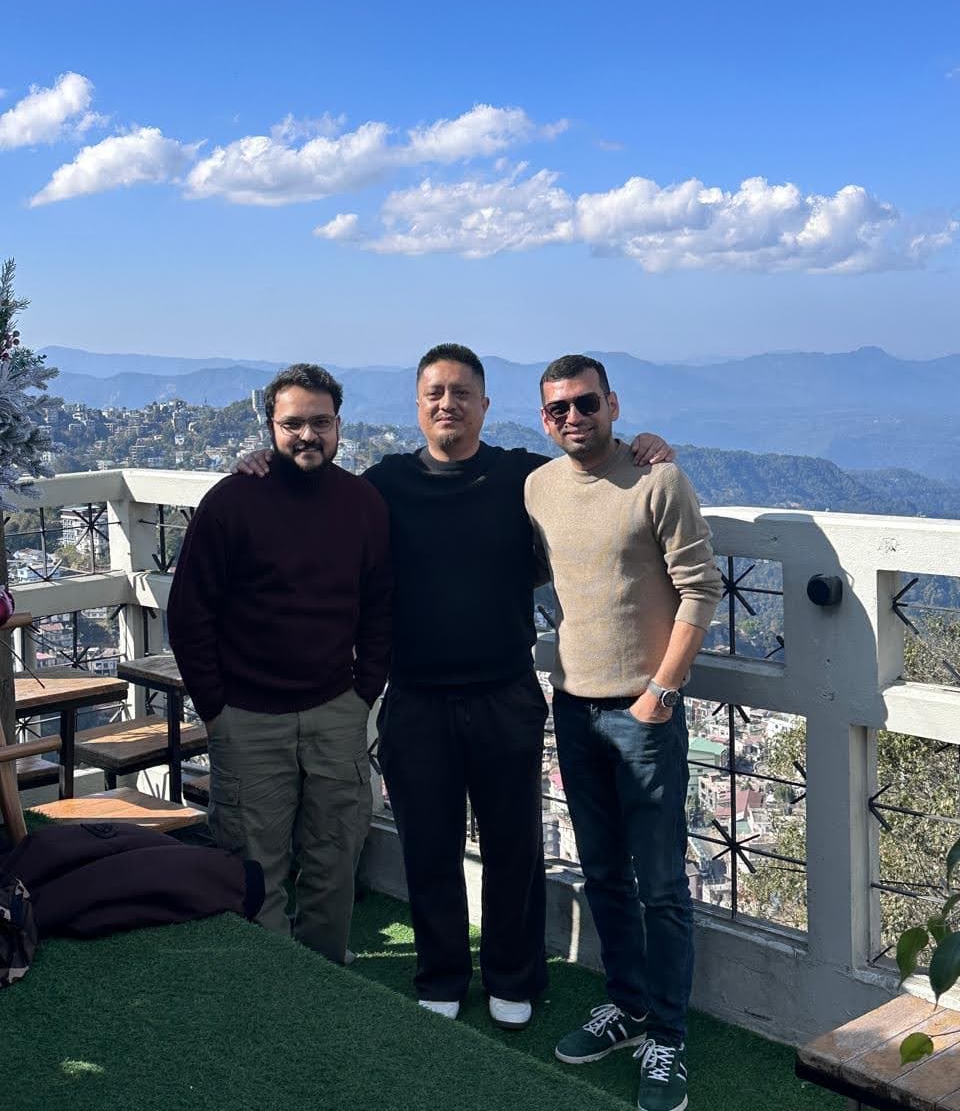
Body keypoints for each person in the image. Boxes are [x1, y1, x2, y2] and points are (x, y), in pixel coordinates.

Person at [236, 344, 673, 1028]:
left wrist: (643, 446)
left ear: (485, 406)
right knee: (428, 845)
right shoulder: (382, 485)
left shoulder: (524, 478)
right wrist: (259, 466)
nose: (448, 404)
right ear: (417, 407)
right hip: (413, 694)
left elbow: (593, 474)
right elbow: (313, 489)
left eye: (462, 393)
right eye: (435, 393)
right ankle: (439, 973)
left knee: (514, 847)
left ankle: (515, 977)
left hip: (505, 690)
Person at [524, 354, 723, 1111]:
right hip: (573, 708)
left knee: (664, 883)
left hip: (643, 713)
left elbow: (699, 588)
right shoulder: (537, 488)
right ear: (544, 420)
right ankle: (629, 1008)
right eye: (557, 410)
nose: (572, 418)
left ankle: (667, 1035)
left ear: (611, 404)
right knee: (603, 873)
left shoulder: (658, 480)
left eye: (584, 404)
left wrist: (661, 694)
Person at [167, 363, 391, 965]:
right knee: (253, 868)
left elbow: (379, 608)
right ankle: (273, 989)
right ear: (271, 427)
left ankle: (328, 981)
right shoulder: (231, 503)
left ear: (340, 424)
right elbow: (189, 616)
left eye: (320, 421)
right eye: (292, 423)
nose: (307, 435)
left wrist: (362, 695)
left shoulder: (363, 503)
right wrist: (216, 711)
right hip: (246, 719)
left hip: (335, 712)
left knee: (335, 858)